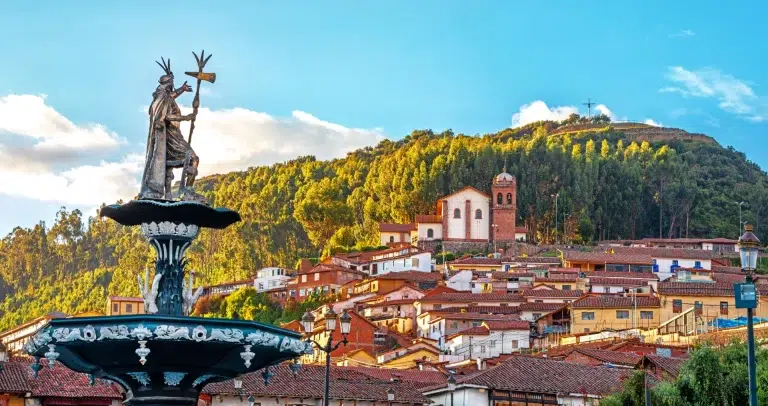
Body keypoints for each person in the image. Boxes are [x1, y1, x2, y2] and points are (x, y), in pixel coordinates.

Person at [139, 57, 203, 201]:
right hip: (172, 138)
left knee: (168, 165)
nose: (173, 86)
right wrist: (185, 118)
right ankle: (188, 191)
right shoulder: (162, 99)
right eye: (172, 83)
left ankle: (169, 194)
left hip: (169, 137)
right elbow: (166, 116)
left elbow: (171, 97)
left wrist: (183, 89)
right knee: (193, 159)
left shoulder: (162, 97)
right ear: (167, 84)